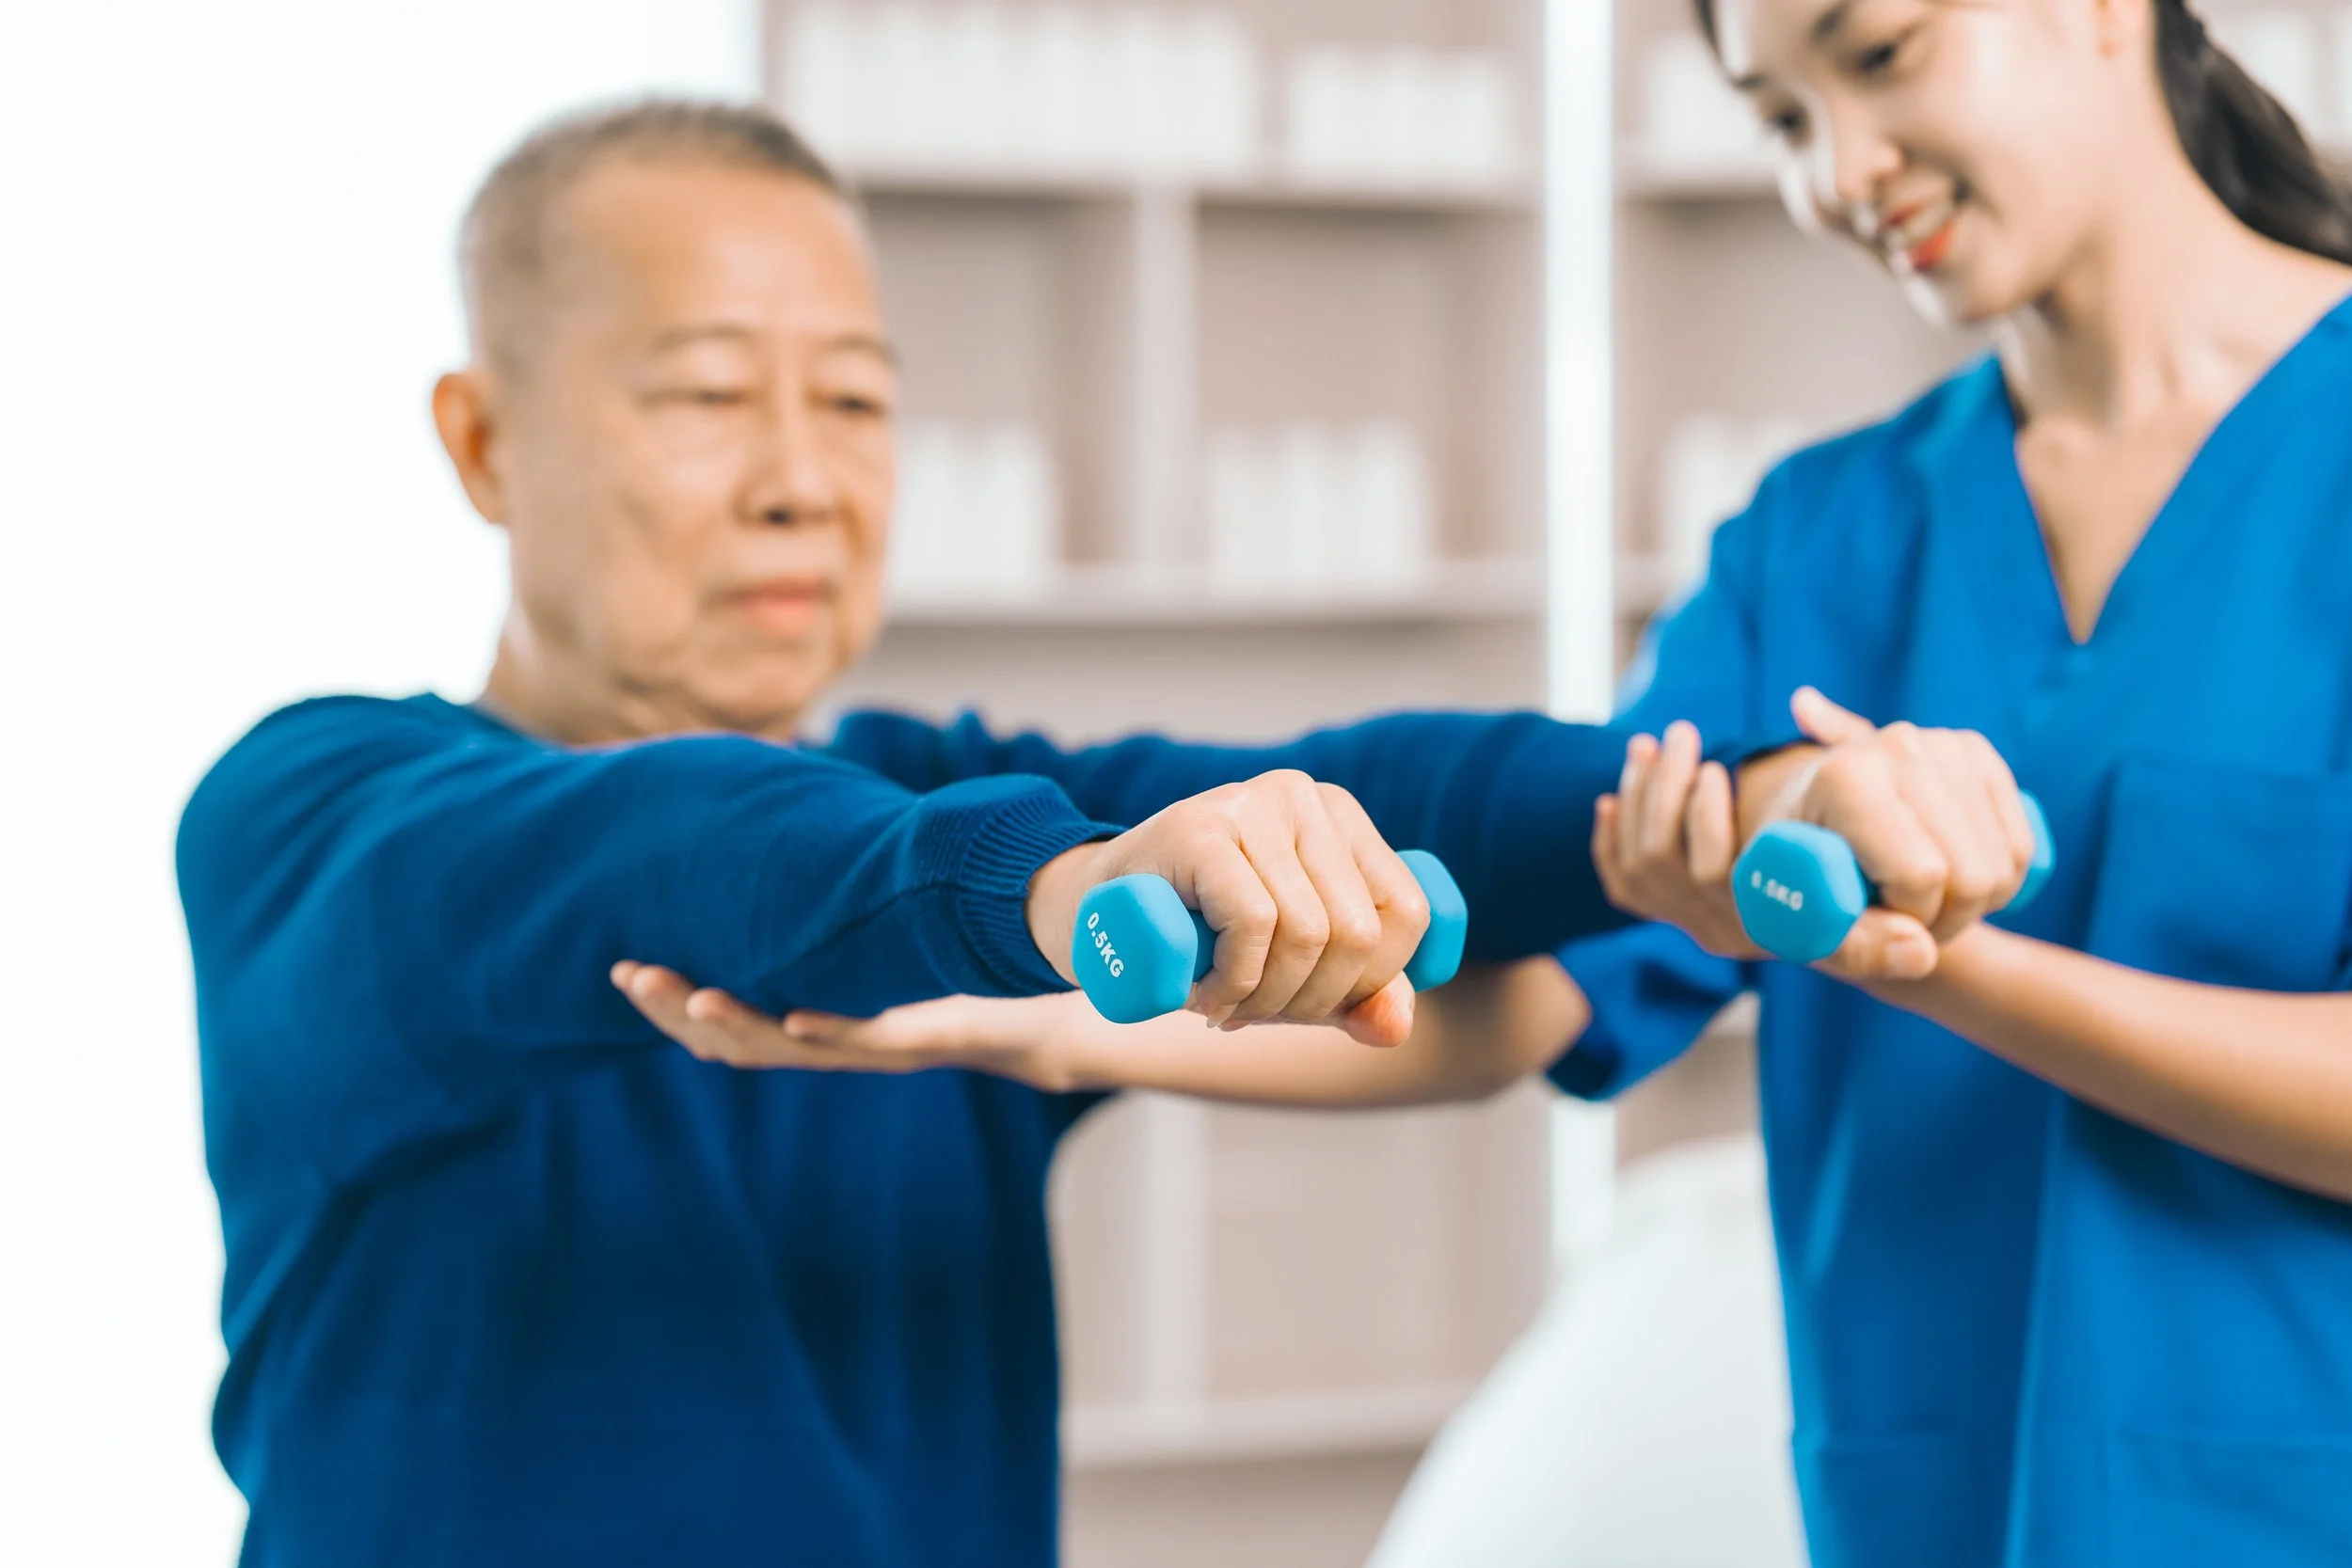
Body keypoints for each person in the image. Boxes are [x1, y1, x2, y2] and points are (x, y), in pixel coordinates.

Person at [175, 103, 2034, 1568]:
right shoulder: (320, 823)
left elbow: (1379, 779)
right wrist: (1060, 884)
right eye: (706, 394)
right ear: (485, 443)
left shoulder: (929, 776)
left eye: (851, 399)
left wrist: (1713, 802)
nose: (797, 479)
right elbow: (666, 847)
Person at [1391, 2, 2352, 1564]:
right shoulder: (1817, 543)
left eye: (1881, 55)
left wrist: (1943, 968)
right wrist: (1039, 995)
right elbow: (1542, 977)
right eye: (1779, 117)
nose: (1842, 168)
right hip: (1924, 1510)